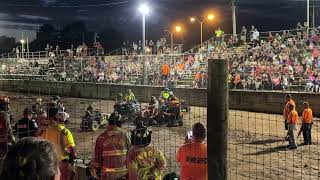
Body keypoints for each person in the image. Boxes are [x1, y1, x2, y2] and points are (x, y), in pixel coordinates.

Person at [90, 112, 130, 180]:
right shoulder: (125, 135)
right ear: (119, 123)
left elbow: (97, 158)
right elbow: (130, 154)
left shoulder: (101, 137)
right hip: (123, 173)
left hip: (107, 175)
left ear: (109, 122)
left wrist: (96, 169)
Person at [40, 109, 77, 180]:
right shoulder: (66, 131)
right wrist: (73, 155)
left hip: (49, 161)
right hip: (62, 162)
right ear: (66, 121)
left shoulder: (47, 129)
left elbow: (41, 140)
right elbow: (72, 148)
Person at [0, 96, 15, 165]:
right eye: (7, 104)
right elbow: (8, 129)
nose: (8, 106)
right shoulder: (5, 115)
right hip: (4, 141)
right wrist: (14, 142)